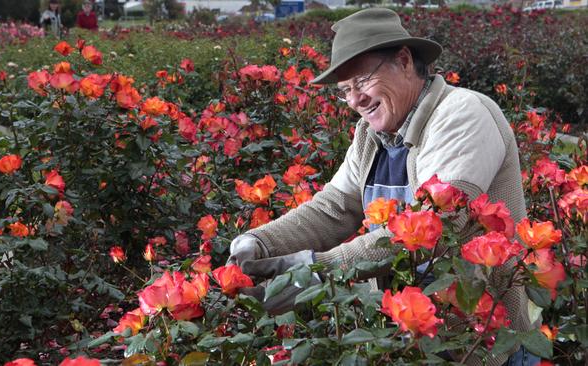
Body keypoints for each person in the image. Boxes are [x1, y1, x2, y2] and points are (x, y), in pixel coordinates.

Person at [227, 8, 537, 366]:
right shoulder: (372, 136)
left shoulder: (463, 114)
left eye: (362, 82)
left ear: (404, 60)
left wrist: (313, 270)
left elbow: (435, 226)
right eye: (345, 91)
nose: (355, 100)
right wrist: (259, 242)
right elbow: (334, 208)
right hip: (409, 345)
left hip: (481, 349)